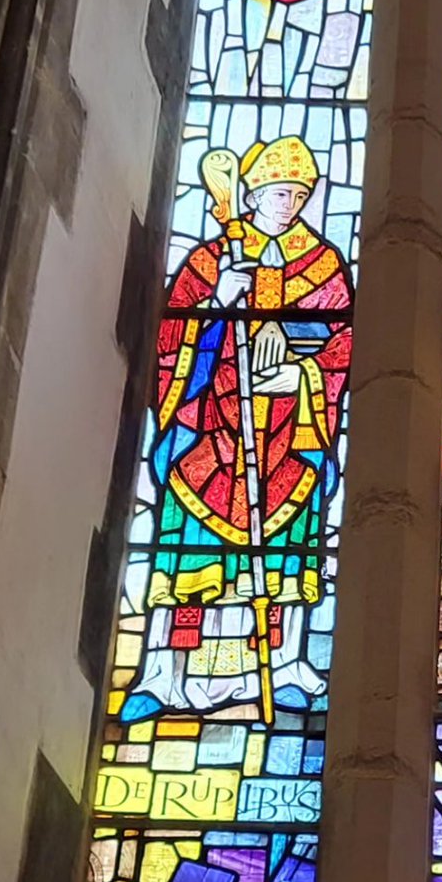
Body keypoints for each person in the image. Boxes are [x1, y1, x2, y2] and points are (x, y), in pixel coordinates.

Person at [120, 136, 352, 722]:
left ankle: (280, 664)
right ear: (249, 193)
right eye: (277, 193)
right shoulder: (209, 261)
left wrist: (299, 379)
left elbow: (344, 348)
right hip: (210, 429)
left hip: (289, 438)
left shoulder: (324, 267)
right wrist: (219, 306)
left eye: (298, 195)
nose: (287, 204)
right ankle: (167, 674)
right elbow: (168, 347)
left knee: (284, 556)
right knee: (192, 552)